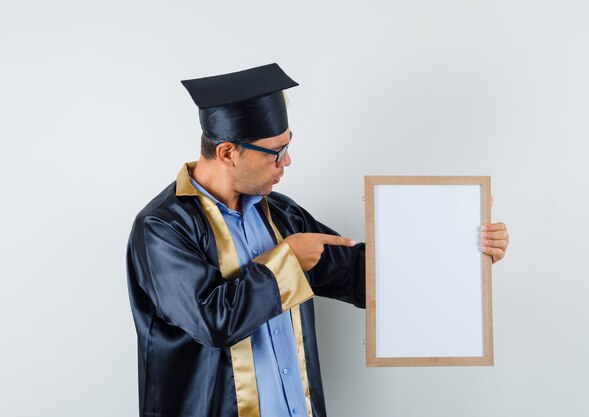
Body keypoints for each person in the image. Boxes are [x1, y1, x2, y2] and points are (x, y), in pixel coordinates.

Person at [126, 63, 509, 417]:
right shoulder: (162, 228)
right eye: (276, 152)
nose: (287, 162)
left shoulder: (280, 214)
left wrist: (463, 247)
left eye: (288, 146)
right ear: (228, 152)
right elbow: (214, 322)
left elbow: (359, 277)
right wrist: (286, 263)